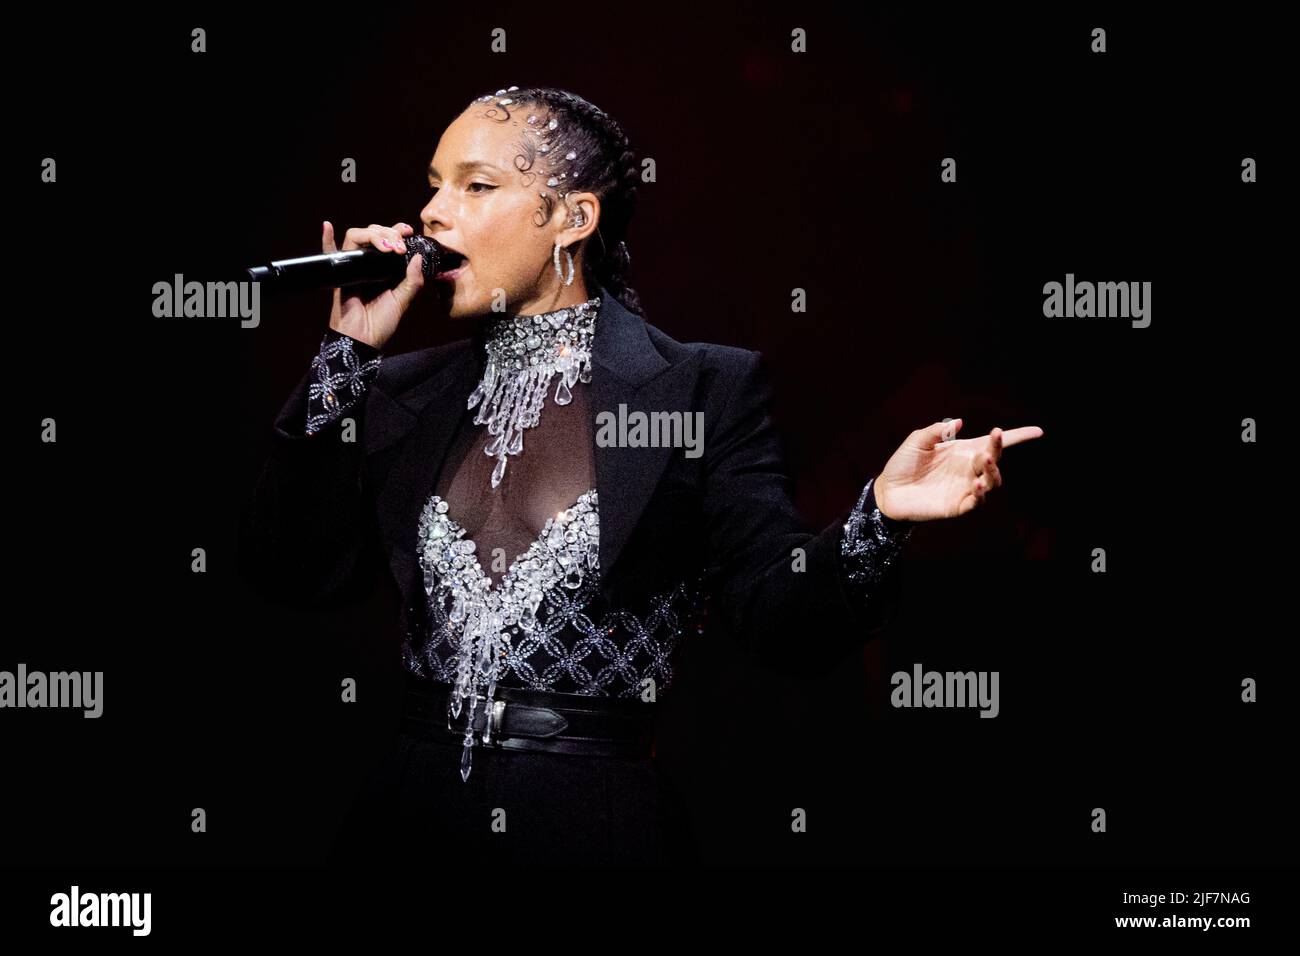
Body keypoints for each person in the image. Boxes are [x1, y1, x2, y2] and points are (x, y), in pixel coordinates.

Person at [238, 86, 1044, 866]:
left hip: (590, 822)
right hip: (407, 819)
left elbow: (781, 620)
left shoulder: (699, 388)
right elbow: (296, 570)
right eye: (434, 188)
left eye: (476, 186)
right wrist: (344, 358)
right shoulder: (400, 390)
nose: (433, 214)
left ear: (573, 218)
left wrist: (880, 518)